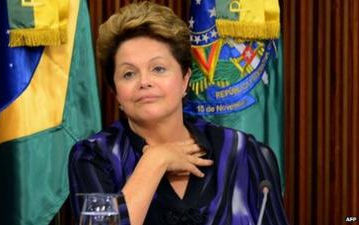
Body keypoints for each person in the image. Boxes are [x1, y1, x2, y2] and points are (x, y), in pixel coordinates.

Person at [68, 2, 289, 225]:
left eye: (158, 68)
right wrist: (155, 161)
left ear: (185, 80)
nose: (144, 82)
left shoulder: (243, 153)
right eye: (128, 74)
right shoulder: (94, 157)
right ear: (116, 93)